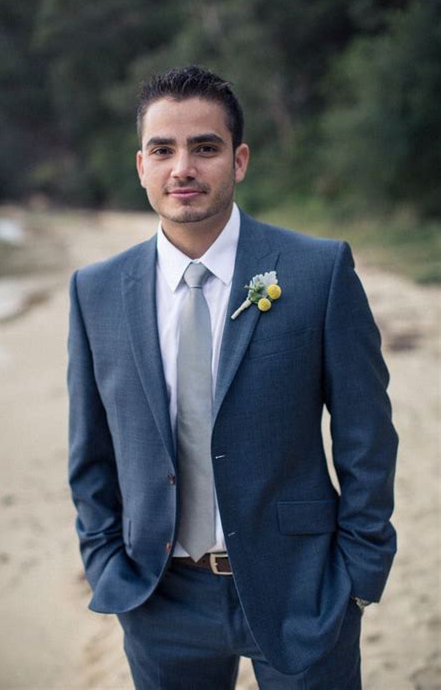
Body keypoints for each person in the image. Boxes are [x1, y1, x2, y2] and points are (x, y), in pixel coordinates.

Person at [67, 66, 398, 689]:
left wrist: (360, 571)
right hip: (158, 597)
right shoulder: (96, 291)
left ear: (239, 160)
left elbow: (367, 436)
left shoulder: (318, 271)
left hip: (303, 585)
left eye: (205, 147)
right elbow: (91, 452)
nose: (182, 168)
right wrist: (106, 559)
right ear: (141, 165)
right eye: (163, 150)